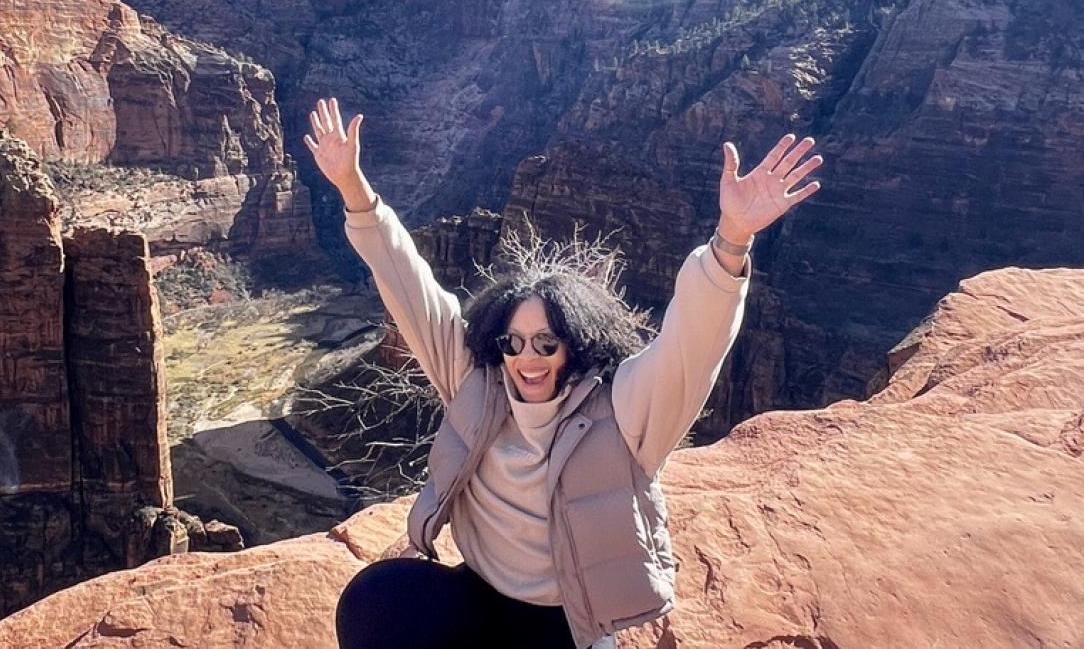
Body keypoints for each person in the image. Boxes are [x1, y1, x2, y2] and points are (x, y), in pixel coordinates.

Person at [305, 97, 822, 649]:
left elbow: (690, 350)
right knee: (376, 602)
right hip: (479, 592)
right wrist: (352, 187)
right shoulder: (476, 383)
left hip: (568, 622)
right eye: (513, 341)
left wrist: (731, 240)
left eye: (547, 342)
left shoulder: (620, 411)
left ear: (576, 345)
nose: (527, 358)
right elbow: (408, 285)